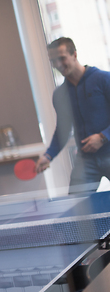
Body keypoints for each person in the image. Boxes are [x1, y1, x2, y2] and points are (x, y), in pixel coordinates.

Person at [35, 37, 110, 193]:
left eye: (62, 58)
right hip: (86, 159)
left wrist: (103, 137)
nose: (58, 65)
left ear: (74, 55)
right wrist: (48, 156)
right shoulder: (60, 94)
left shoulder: (104, 79)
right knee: (77, 208)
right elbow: (62, 130)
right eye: (53, 61)